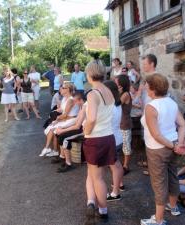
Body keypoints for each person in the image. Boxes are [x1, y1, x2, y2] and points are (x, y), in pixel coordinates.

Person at [140, 73, 185, 225]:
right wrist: (178, 144)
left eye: (147, 85)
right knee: (173, 176)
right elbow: (183, 125)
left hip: (157, 149)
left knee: (159, 182)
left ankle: (158, 220)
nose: (145, 87)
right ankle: (173, 207)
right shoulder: (171, 102)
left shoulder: (151, 107)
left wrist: (175, 146)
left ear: (152, 89)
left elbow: (156, 134)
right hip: (172, 144)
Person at [83, 60, 116, 223]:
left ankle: (102, 211)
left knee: (97, 178)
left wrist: (86, 130)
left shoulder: (92, 93)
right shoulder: (108, 90)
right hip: (108, 137)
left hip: (95, 139)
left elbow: (92, 118)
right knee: (95, 174)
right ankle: (91, 201)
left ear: (89, 74)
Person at [40, 83, 79, 157]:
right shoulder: (64, 98)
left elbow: (65, 115)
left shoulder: (70, 100)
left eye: (63, 88)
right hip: (66, 119)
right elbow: (62, 109)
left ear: (68, 89)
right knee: (51, 127)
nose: (61, 89)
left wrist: (56, 119)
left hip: (72, 119)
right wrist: (54, 112)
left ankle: (50, 149)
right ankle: (51, 149)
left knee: (53, 128)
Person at [104, 80, 125, 201]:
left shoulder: (110, 106)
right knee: (116, 165)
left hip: (112, 138)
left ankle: (115, 192)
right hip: (116, 137)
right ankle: (118, 186)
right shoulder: (116, 103)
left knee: (115, 166)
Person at [54, 92, 86, 172]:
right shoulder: (82, 106)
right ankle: (62, 157)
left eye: (75, 101)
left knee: (64, 138)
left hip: (84, 130)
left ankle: (68, 163)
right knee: (59, 134)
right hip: (80, 127)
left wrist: (63, 130)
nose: (74, 103)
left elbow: (77, 126)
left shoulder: (85, 107)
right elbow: (76, 121)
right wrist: (62, 127)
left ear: (80, 100)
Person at [116, 75, 132, 175]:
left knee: (126, 145)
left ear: (121, 84)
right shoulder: (121, 93)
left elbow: (116, 103)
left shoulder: (125, 94)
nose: (115, 83)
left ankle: (126, 166)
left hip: (125, 123)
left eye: (116, 82)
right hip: (119, 123)